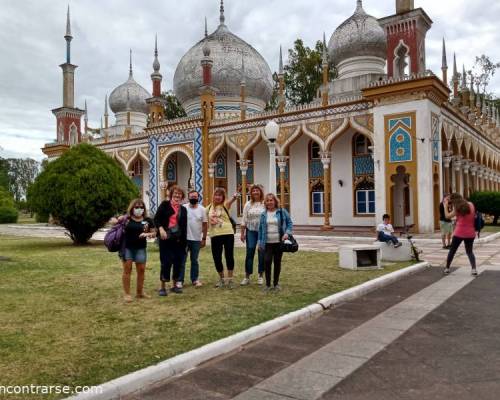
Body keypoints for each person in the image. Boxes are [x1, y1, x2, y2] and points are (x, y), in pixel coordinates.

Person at [117, 199, 156, 303]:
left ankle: (140, 292)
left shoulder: (148, 220)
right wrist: (116, 220)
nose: (139, 209)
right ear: (132, 208)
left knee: (141, 270)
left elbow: (154, 233)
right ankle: (127, 294)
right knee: (127, 270)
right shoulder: (127, 219)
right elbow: (116, 224)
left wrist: (147, 234)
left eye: (141, 207)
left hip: (141, 248)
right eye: (137, 207)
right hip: (127, 248)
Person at [154, 185, 188, 295]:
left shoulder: (183, 209)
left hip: (178, 240)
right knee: (166, 262)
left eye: (179, 194)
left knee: (177, 262)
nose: (177, 196)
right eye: (175, 194)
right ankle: (162, 287)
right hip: (166, 238)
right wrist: (161, 229)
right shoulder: (165, 205)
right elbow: (156, 219)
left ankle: (174, 285)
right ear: (171, 195)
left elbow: (184, 226)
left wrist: (184, 242)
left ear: (182, 197)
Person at [258, 193, 293, 292]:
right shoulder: (263, 214)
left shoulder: (282, 211)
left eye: (271, 200)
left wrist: (287, 233)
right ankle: (268, 285)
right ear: (265, 202)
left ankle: (276, 284)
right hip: (267, 242)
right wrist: (259, 241)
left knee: (277, 262)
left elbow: (290, 223)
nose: (269, 202)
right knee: (267, 261)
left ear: (275, 201)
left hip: (279, 242)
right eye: (267, 201)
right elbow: (260, 229)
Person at [207, 187, 238, 289]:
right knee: (217, 257)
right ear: (213, 196)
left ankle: (230, 280)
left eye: (220, 195)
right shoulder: (208, 208)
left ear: (223, 197)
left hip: (228, 233)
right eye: (216, 195)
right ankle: (221, 279)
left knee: (229, 256)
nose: (218, 197)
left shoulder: (225, 205)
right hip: (215, 235)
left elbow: (231, 200)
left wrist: (234, 197)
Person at [443, 193, 478, 276]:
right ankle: (474, 269)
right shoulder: (471, 204)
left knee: (452, 251)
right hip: (470, 233)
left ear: (454, 201)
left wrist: (445, 206)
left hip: (459, 233)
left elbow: (447, 216)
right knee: (469, 251)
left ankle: (447, 268)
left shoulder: (457, 208)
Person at [179, 190, 208, 287]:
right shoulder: (183, 208)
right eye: (191, 197)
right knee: (182, 260)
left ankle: (195, 279)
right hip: (184, 239)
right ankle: (180, 280)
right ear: (188, 197)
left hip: (196, 239)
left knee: (194, 260)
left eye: (195, 197)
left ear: (198, 197)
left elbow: (205, 225)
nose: (193, 198)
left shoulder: (202, 209)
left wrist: (204, 238)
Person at [240, 184, 266, 286]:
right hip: (250, 230)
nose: (255, 192)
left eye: (257, 190)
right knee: (250, 252)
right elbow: (244, 219)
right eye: (253, 191)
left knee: (261, 253)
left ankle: (260, 276)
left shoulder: (264, 203)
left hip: (262, 231)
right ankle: (247, 276)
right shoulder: (248, 204)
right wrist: (242, 234)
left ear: (260, 192)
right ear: (251, 193)